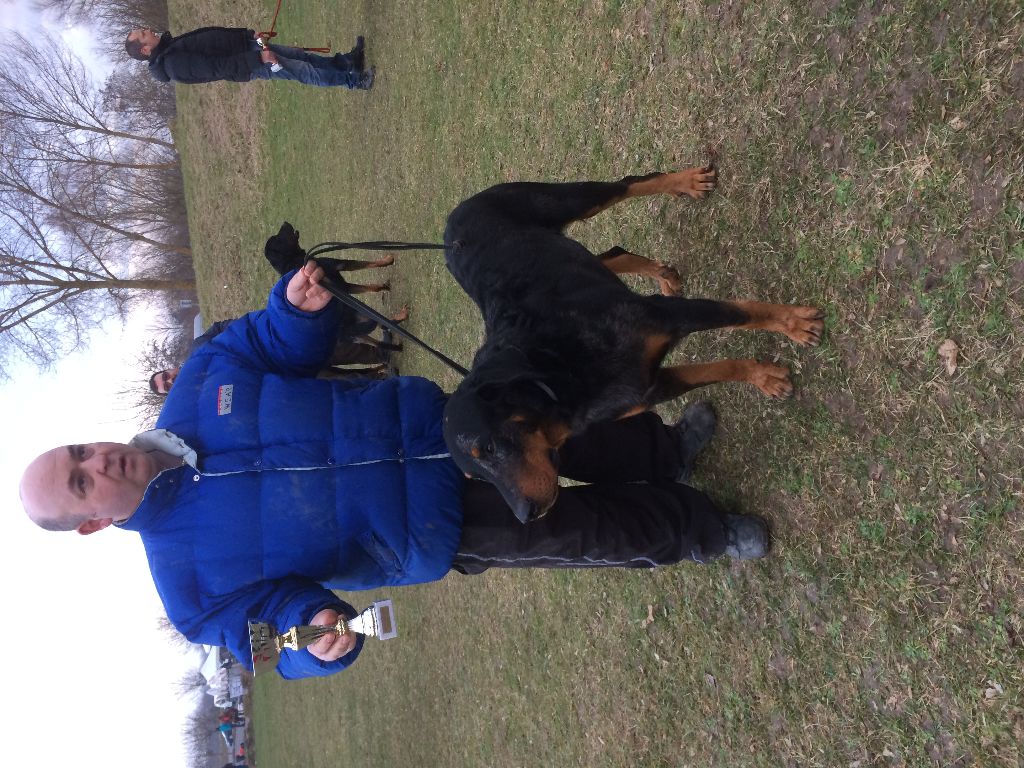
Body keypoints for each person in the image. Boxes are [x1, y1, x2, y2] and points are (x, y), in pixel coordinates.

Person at [21, 263, 769, 680]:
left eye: (79, 451)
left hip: (434, 422)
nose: (96, 461)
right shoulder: (189, 590)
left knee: (565, 440)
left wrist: (296, 307)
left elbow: (270, 342)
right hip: (430, 531)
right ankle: (701, 530)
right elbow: (276, 637)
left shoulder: (198, 384)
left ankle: (664, 453)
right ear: (92, 522)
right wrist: (313, 635)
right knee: (580, 532)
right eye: (81, 481)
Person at [125, 27, 374, 90]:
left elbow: (212, 35)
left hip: (249, 46)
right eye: (145, 34)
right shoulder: (173, 64)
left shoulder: (171, 47)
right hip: (254, 63)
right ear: (145, 50)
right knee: (302, 70)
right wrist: (260, 60)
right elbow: (218, 67)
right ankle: (355, 81)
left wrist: (248, 35)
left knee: (299, 56)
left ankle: (348, 64)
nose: (150, 31)